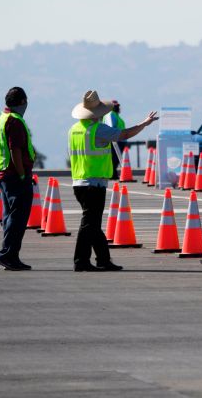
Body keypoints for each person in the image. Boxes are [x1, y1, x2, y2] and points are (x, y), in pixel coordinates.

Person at [68, 90, 158, 272]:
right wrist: (144, 124)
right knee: (89, 224)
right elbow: (123, 135)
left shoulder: (74, 129)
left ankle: (103, 259)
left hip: (79, 182)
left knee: (93, 223)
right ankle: (81, 261)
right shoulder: (97, 129)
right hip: (94, 183)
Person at [0, 87, 36, 271]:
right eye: (25, 101)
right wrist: (22, 174)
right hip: (14, 176)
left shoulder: (2, 118)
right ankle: (7, 254)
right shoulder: (15, 121)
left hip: (3, 174)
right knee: (17, 218)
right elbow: (15, 150)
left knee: (10, 216)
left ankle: (11, 256)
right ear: (21, 102)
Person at [104, 100, 126, 179]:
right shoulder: (111, 114)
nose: (117, 107)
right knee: (114, 158)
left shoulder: (116, 115)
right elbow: (111, 127)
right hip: (116, 140)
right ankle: (112, 174)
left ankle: (114, 174)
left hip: (121, 140)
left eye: (117, 106)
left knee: (116, 158)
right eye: (115, 106)